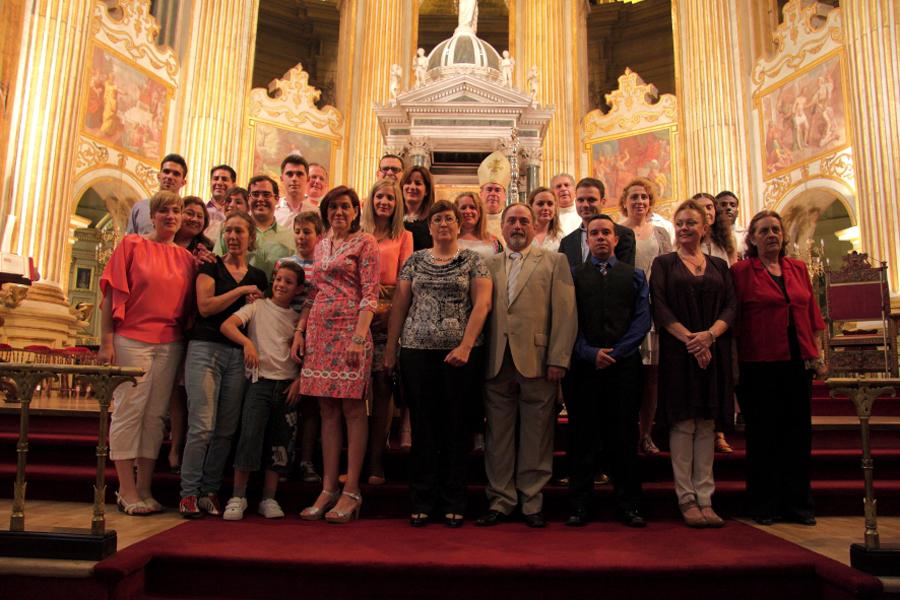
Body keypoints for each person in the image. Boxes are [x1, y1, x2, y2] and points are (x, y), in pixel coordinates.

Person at [385, 200, 492, 527]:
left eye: (450, 218)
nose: (444, 223)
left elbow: (483, 304)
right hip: (417, 353)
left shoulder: (474, 261)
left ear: (459, 225)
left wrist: (466, 345)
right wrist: (391, 349)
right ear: (429, 227)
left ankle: (453, 499)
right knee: (424, 427)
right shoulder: (415, 261)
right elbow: (400, 306)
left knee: (456, 428)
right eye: (438, 219)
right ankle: (422, 498)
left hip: (459, 356)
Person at [477, 203, 576, 529]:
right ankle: (501, 500)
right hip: (496, 360)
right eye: (511, 221)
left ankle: (532, 501)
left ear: (534, 226)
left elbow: (565, 313)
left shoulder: (554, 261)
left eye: (523, 220)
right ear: (502, 227)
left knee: (537, 435)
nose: (517, 226)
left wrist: (558, 359)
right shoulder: (487, 264)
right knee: (498, 438)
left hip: (538, 361)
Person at [98, 191, 196, 515]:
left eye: (176, 211)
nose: (171, 216)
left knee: (155, 416)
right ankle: (125, 489)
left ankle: (144, 487)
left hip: (170, 342)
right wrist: (106, 341)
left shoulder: (186, 258)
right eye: (164, 210)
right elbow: (112, 293)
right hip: (131, 339)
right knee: (130, 409)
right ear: (151, 216)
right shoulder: (132, 245)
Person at [732, 210, 826, 526]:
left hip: (797, 363)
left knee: (798, 435)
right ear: (753, 238)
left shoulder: (798, 269)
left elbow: (812, 314)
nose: (771, 234)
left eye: (776, 229)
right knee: (763, 436)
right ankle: (764, 504)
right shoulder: (742, 272)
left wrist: (819, 355)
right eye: (764, 231)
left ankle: (798, 504)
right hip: (758, 364)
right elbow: (736, 322)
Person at [294, 186, 380, 523]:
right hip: (319, 332)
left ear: (356, 210)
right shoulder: (321, 244)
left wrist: (359, 337)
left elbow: (370, 293)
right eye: (333, 207)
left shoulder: (366, 242)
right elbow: (313, 291)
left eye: (345, 207)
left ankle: (351, 489)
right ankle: (328, 487)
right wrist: (300, 331)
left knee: (353, 409)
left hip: (350, 331)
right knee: (326, 409)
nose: (338, 212)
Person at [650, 199, 735, 528]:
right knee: (683, 423)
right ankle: (685, 497)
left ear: (704, 228)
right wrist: (691, 339)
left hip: (712, 352)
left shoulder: (719, 266)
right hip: (679, 352)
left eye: (691, 223)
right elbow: (659, 306)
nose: (684, 228)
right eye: (680, 223)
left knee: (706, 424)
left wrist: (709, 337)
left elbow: (731, 306)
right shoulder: (664, 264)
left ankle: (706, 497)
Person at [178, 210, 268, 517]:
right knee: (202, 425)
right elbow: (205, 307)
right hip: (205, 349)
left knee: (226, 428)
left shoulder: (258, 277)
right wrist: (241, 291)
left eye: (239, 231)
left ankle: (209, 490)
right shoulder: (211, 266)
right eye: (228, 231)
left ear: (250, 237)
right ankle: (188, 492)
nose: (232, 236)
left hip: (237, 355)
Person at [566, 214, 651, 528]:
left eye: (606, 233)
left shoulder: (635, 275)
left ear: (616, 239)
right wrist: (588, 352)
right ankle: (579, 505)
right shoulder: (573, 276)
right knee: (582, 437)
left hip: (623, 368)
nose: (600, 237)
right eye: (594, 233)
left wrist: (617, 352)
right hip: (584, 369)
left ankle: (629, 505)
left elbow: (642, 319)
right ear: (587, 239)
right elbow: (567, 320)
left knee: (623, 437)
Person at [220, 262, 305, 520]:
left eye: (288, 282)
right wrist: (248, 343)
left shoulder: (297, 319)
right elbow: (228, 325)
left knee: (280, 443)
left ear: (298, 288)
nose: (281, 285)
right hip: (260, 382)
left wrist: (300, 379)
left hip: (287, 386)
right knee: (250, 436)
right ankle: (239, 495)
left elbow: (306, 352)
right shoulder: (257, 307)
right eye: (278, 279)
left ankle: (269, 497)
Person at [360, 178, 413, 484]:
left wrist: (389, 310)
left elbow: (404, 279)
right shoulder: (359, 234)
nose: (384, 202)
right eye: (379, 196)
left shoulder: (404, 236)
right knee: (353, 393)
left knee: (382, 386)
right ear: (371, 199)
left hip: (389, 318)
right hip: (357, 317)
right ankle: (353, 458)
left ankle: (375, 462)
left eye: (390, 199)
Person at [618, 178, 673, 456]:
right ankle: (625, 432)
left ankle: (646, 433)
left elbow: (667, 271)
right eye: (634, 196)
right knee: (627, 375)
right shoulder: (616, 231)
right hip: (625, 309)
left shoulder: (661, 233)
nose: (639, 201)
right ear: (624, 201)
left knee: (652, 375)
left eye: (644, 197)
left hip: (653, 307)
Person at [275, 211, 324, 484]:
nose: (301, 236)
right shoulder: (285, 263)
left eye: (307, 231)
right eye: (298, 231)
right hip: (285, 332)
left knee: (311, 406)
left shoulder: (323, 265)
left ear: (319, 235)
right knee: (285, 399)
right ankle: (282, 459)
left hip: (315, 336)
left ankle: (306, 459)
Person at [167, 196, 215, 473]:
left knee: (190, 390)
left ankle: (182, 446)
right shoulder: (164, 245)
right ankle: (173, 442)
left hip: (192, 322)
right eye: (190, 213)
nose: (195, 219)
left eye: (200, 216)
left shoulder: (205, 251)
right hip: (166, 321)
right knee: (173, 389)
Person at [691, 192, 737, 454]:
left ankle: (720, 431)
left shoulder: (724, 244)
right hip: (695, 317)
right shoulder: (685, 242)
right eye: (700, 208)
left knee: (722, 376)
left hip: (720, 317)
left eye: (709, 207)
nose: (706, 211)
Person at [559, 177, 635, 268]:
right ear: (576, 202)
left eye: (591, 200)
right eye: (580, 200)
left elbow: (625, 274)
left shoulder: (623, 234)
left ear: (603, 202)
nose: (585, 205)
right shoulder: (567, 242)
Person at [243, 175, 295, 278]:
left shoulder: (290, 236)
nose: (260, 199)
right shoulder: (232, 232)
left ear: (276, 199)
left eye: (266, 194)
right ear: (248, 199)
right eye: (255, 194)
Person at [127, 153, 188, 235]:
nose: (170, 176)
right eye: (166, 172)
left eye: (176, 174)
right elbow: (130, 240)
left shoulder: (186, 212)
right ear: (159, 176)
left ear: (183, 182)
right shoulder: (139, 207)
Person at [455, 191, 502, 259]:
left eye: (472, 207)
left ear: (480, 212)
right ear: (456, 213)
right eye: (463, 208)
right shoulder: (448, 240)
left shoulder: (495, 242)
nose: (468, 211)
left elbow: (502, 266)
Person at [400, 165, 435, 251]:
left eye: (418, 183)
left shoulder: (433, 220)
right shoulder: (392, 217)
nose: (412, 187)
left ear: (426, 190)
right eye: (408, 182)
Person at [478, 151, 511, 239]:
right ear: (481, 194)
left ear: (504, 196)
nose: (493, 193)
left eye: (497, 190)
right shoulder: (474, 221)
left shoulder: (511, 221)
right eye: (489, 189)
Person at [275, 154, 309, 227]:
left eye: (299, 174)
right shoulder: (273, 212)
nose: (294, 178)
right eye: (289, 174)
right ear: (281, 179)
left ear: (308, 179)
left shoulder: (317, 213)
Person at [528, 187, 564, 252]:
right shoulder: (524, 235)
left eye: (550, 204)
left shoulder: (561, 238)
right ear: (531, 207)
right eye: (540, 204)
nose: (545, 208)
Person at [716, 190, 748, 259]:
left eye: (733, 205)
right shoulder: (709, 235)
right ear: (715, 209)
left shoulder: (745, 235)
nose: (728, 208)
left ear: (737, 212)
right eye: (723, 205)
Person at [206, 164, 237, 232]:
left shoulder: (239, 213)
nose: (219, 183)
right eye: (216, 179)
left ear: (234, 185)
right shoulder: (202, 211)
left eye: (224, 179)